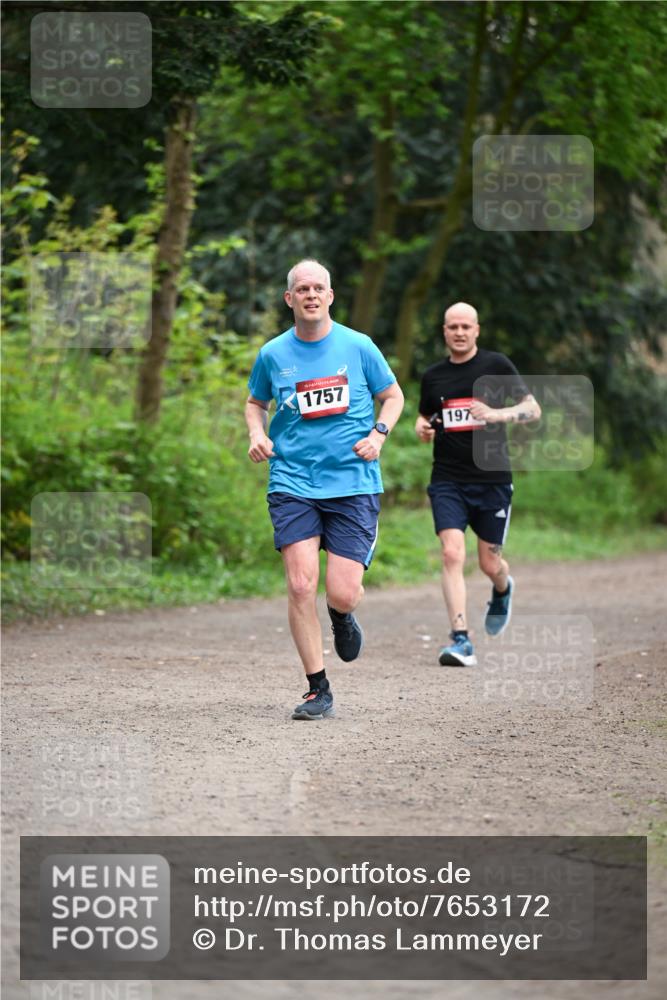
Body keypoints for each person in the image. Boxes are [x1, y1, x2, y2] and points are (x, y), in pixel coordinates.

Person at [245, 259, 404, 719]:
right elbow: (256, 402)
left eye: (319, 288)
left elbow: (392, 396)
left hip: (353, 480)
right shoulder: (273, 353)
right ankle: (318, 689)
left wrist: (378, 434)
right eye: (302, 289)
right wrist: (257, 434)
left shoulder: (359, 346)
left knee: (342, 591)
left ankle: (341, 615)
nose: (311, 295)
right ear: (289, 299)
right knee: (299, 584)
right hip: (292, 479)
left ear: (330, 296)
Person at [415, 302, 541, 667]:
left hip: (492, 480)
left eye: (465, 326)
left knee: (490, 564)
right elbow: (425, 418)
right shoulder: (433, 375)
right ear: (444, 331)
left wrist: (497, 413)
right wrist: (421, 429)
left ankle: (503, 588)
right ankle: (460, 639)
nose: (459, 332)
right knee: (452, 553)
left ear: (476, 330)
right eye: (452, 326)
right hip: (447, 479)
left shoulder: (496, 366)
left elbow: (532, 409)